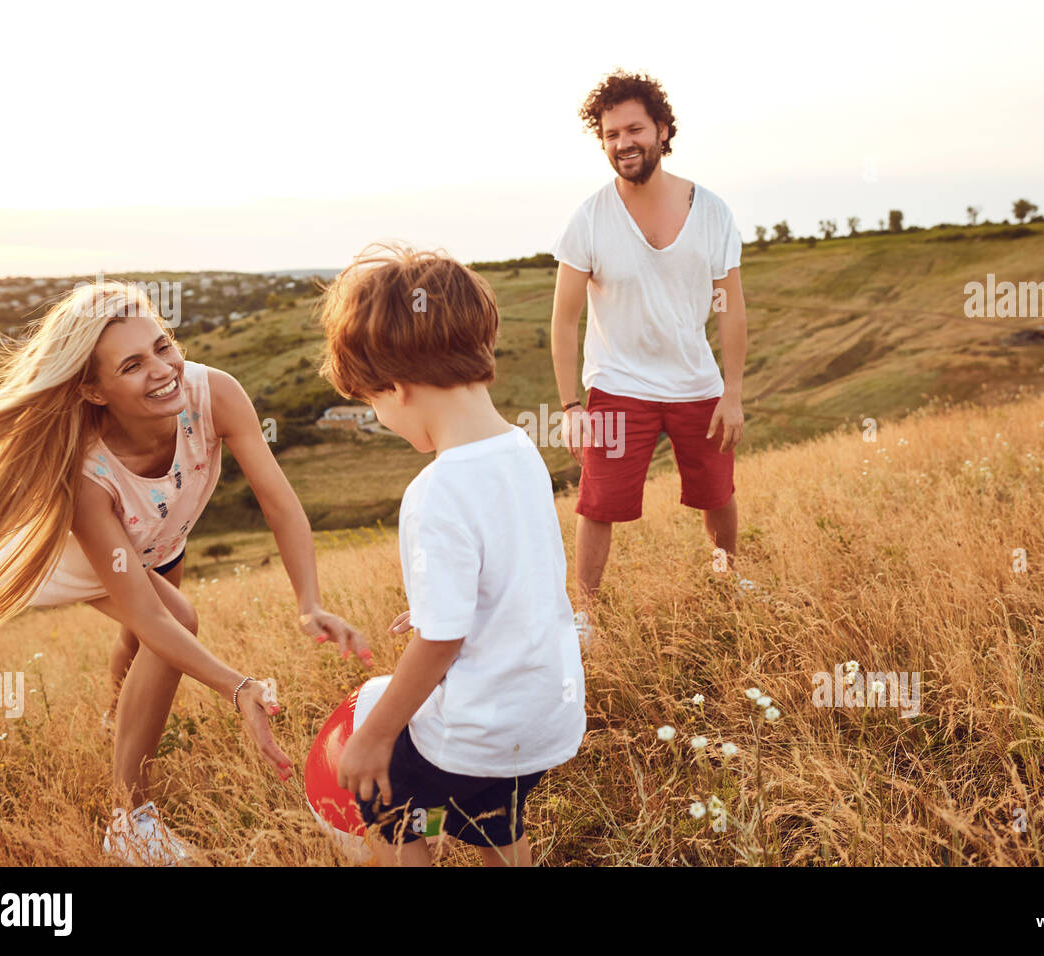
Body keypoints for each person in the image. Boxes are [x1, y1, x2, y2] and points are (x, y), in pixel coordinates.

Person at [0, 280, 369, 865]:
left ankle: (116, 719)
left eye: (164, 345)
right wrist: (239, 688)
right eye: (132, 364)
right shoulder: (85, 469)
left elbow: (279, 502)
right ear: (93, 389)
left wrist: (308, 601)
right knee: (171, 621)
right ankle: (128, 820)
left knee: (142, 643)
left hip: (158, 535)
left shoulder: (215, 394)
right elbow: (152, 614)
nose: (163, 370)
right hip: (74, 557)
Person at [317, 242, 586, 867]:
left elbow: (441, 645)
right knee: (492, 818)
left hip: (477, 729)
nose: (381, 418)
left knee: (396, 808)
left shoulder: (434, 492)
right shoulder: (520, 451)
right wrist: (442, 603)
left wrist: (375, 735)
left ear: (398, 387)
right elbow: (516, 569)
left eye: (372, 404)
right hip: (541, 717)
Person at [549, 69, 748, 609]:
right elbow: (564, 319)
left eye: (633, 130)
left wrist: (731, 393)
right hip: (618, 384)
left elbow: (729, 307)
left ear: (662, 129)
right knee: (598, 504)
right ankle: (585, 614)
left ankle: (726, 582)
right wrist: (571, 405)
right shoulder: (588, 218)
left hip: (696, 383)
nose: (623, 144)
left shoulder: (710, 211)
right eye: (611, 135)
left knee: (717, 495)